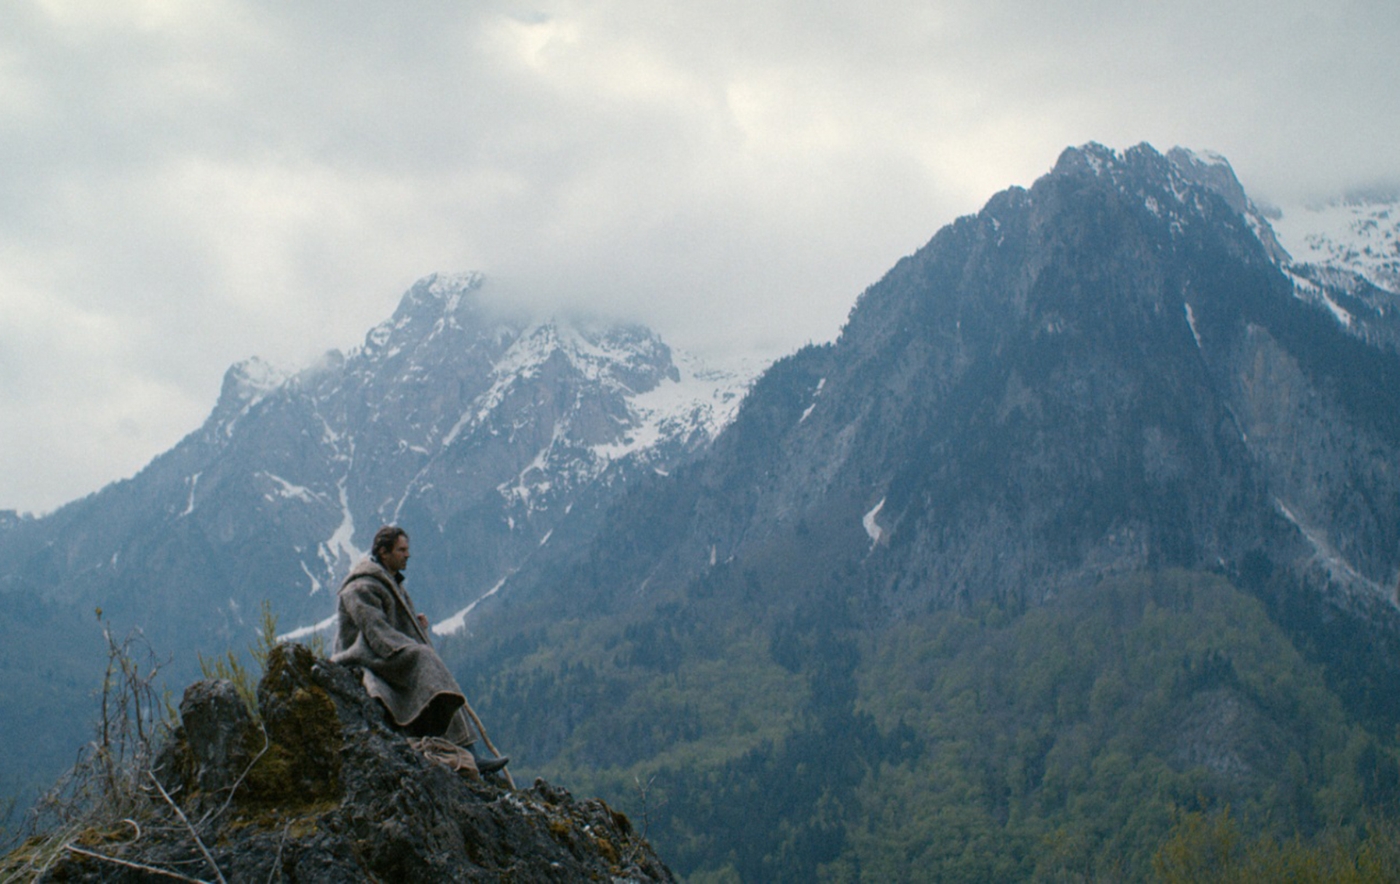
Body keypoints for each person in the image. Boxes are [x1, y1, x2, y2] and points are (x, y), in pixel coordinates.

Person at [331, 525, 509, 776]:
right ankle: (470, 753)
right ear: (384, 552)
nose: (407, 555)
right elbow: (375, 631)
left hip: (379, 651)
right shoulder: (360, 587)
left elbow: (386, 624)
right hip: (363, 655)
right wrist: (410, 647)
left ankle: (468, 752)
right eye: (401, 550)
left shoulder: (390, 581)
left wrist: (413, 623)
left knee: (428, 665)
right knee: (425, 659)